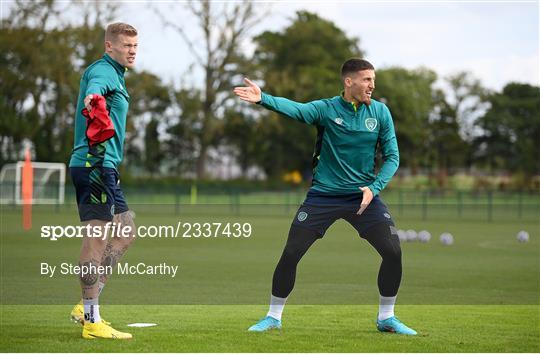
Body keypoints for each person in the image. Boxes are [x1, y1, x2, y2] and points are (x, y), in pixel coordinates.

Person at [233, 58, 417, 335]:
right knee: (292, 252)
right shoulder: (326, 109)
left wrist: (374, 187)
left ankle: (386, 318)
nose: (372, 85)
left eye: (373, 80)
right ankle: (273, 316)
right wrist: (263, 99)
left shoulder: (380, 113)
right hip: (323, 196)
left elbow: (393, 157)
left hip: (364, 197)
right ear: (349, 81)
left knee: (393, 252)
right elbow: (298, 110)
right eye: (367, 80)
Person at [68, 22, 138, 340]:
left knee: (125, 234)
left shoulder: (118, 75)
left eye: (135, 46)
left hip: (105, 167)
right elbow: (94, 90)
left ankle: (86, 306)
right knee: (96, 240)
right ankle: (92, 321)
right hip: (93, 164)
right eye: (126, 46)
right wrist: (92, 101)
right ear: (109, 46)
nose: (132, 51)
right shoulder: (103, 71)